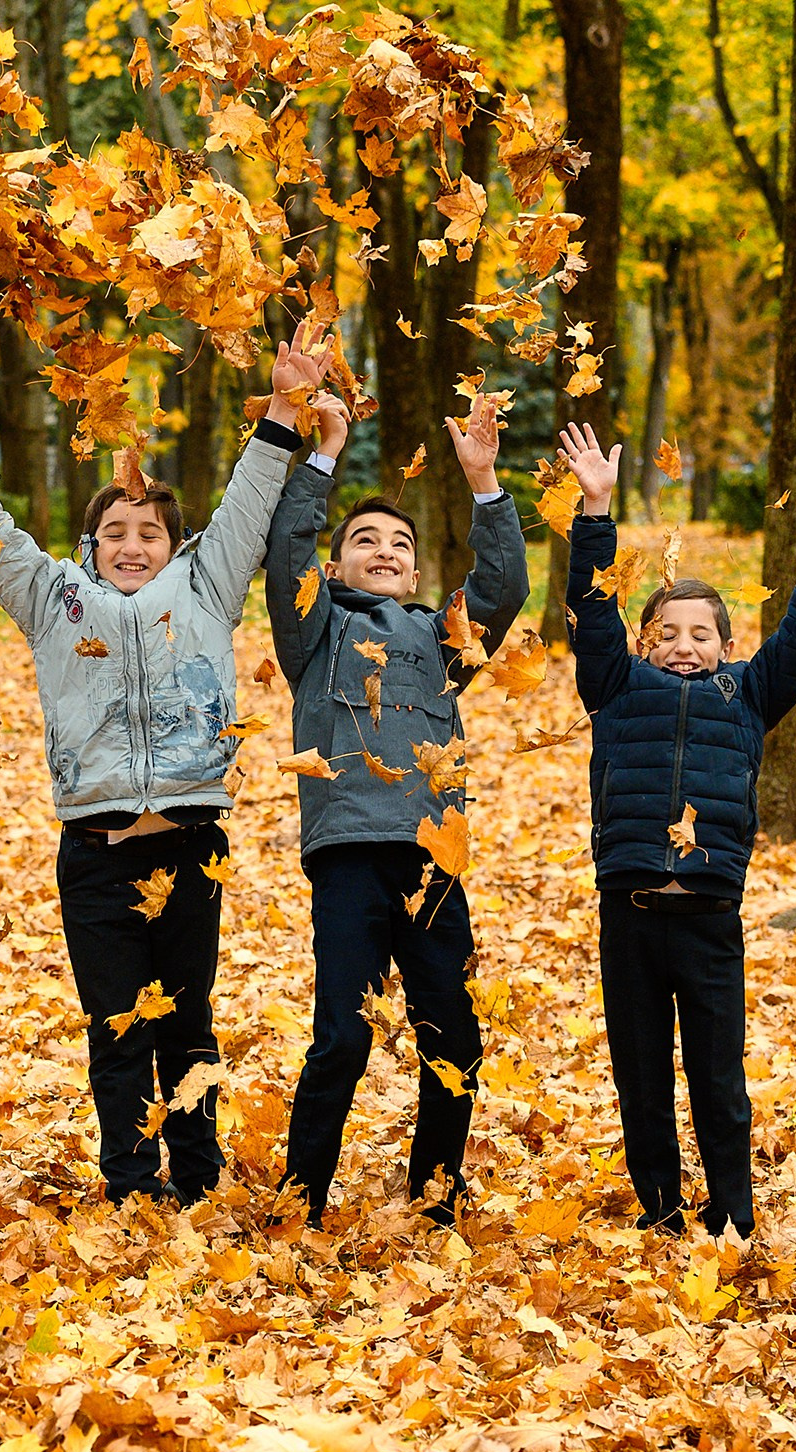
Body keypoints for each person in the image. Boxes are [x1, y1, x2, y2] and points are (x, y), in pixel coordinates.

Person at [0, 342, 331, 1207]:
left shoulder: (207, 586)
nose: (134, 546)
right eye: (115, 534)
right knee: (119, 1027)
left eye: (150, 533)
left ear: (175, 543)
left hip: (190, 844)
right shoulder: (56, 601)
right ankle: (131, 1183)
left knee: (187, 1024)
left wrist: (281, 413)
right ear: (90, 546)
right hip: (95, 848)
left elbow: (248, 505)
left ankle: (196, 1180)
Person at [564, 424, 796, 1238]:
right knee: (640, 1076)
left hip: (708, 918)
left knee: (717, 1078)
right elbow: (592, 612)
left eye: (702, 635)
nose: (686, 646)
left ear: (729, 648)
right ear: (644, 644)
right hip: (628, 914)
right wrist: (596, 508)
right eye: (669, 633)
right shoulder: (617, 686)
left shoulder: (750, 695)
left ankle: (732, 1211)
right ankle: (659, 1210)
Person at [266, 397, 529, 1228]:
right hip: (348, 853)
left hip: (432, 858)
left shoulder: (442, 639)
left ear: (416, 573)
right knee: (342, 1037)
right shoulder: (313, 633)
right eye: (365, 542)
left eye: (400, 544)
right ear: (338, 567)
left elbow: (504, 587)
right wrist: (325, 452)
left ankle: (435, 1199)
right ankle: (301, 1199)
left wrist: (484, 483)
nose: (385, 551)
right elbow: (283, 556)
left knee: (454, 1036)